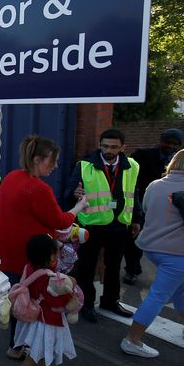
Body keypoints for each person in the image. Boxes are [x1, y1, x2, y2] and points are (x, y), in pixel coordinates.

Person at [120, 148, 184, 358]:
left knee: (179, 284)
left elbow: (148, 210)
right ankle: (132, 340)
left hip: (151, 248)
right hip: (177, 253)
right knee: (158, 295)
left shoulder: (155, 184)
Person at [0, 135, 87, 359]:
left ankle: (13, 343)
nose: (55, 166)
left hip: (5, 247)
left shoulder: (11, 177)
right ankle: (19, 346)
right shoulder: (39, 189)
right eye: (52, 161)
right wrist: (79, 206)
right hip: (30, 255)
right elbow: (60, 220)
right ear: (37, 159)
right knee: (28, 301)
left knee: (13, 297)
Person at [64, 128, 140, 322]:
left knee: (114, 266)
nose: (109, 150)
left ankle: (110, 301)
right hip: (92, 224)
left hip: (119, 224)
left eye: (114, 147)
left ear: (122, 147)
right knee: (87, 267)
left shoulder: (131, 166)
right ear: (100, 145)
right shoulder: (84, 166)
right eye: (105, 146)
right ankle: (87, 304)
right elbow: (70, 191)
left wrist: (137, 219)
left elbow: (134, 193)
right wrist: (75, 193)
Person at [5, 234, 77, 366]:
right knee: (37, 351)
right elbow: (56, 301)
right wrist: (71, 290)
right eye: (56, 251)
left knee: (47, 346)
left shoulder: (30, 267)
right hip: (47, 319)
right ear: (50, 256)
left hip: (35, 315)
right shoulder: (48, 277)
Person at [125, 128, 184, 285]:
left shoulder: (180, 161)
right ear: (161, 141)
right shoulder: (142, 155)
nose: (170, 146)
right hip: (141, 201)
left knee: (166, 242)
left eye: (174, 144)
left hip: (167, 207)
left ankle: (166, 274)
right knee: (135, 237)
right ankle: (132, 270)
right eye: (167, 142)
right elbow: (131, 179)